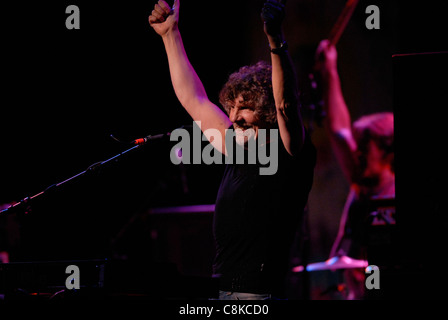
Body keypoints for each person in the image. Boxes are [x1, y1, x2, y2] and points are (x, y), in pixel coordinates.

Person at [149, 0, 315, 299]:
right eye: (232, 107)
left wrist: (276, 41)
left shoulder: (291, 150)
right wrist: (170, 36)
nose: (234, 116)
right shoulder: (236, 147)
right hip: (222, 291)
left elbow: (286, 104)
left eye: (246, 108)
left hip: (259, 296)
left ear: (265, 112)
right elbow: (194, 99)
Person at [315, 39, 394, 299]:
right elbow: (338, 131)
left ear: (387, 151)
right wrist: (330, 70)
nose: (354, 152)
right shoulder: (361, 184)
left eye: (363, 146)